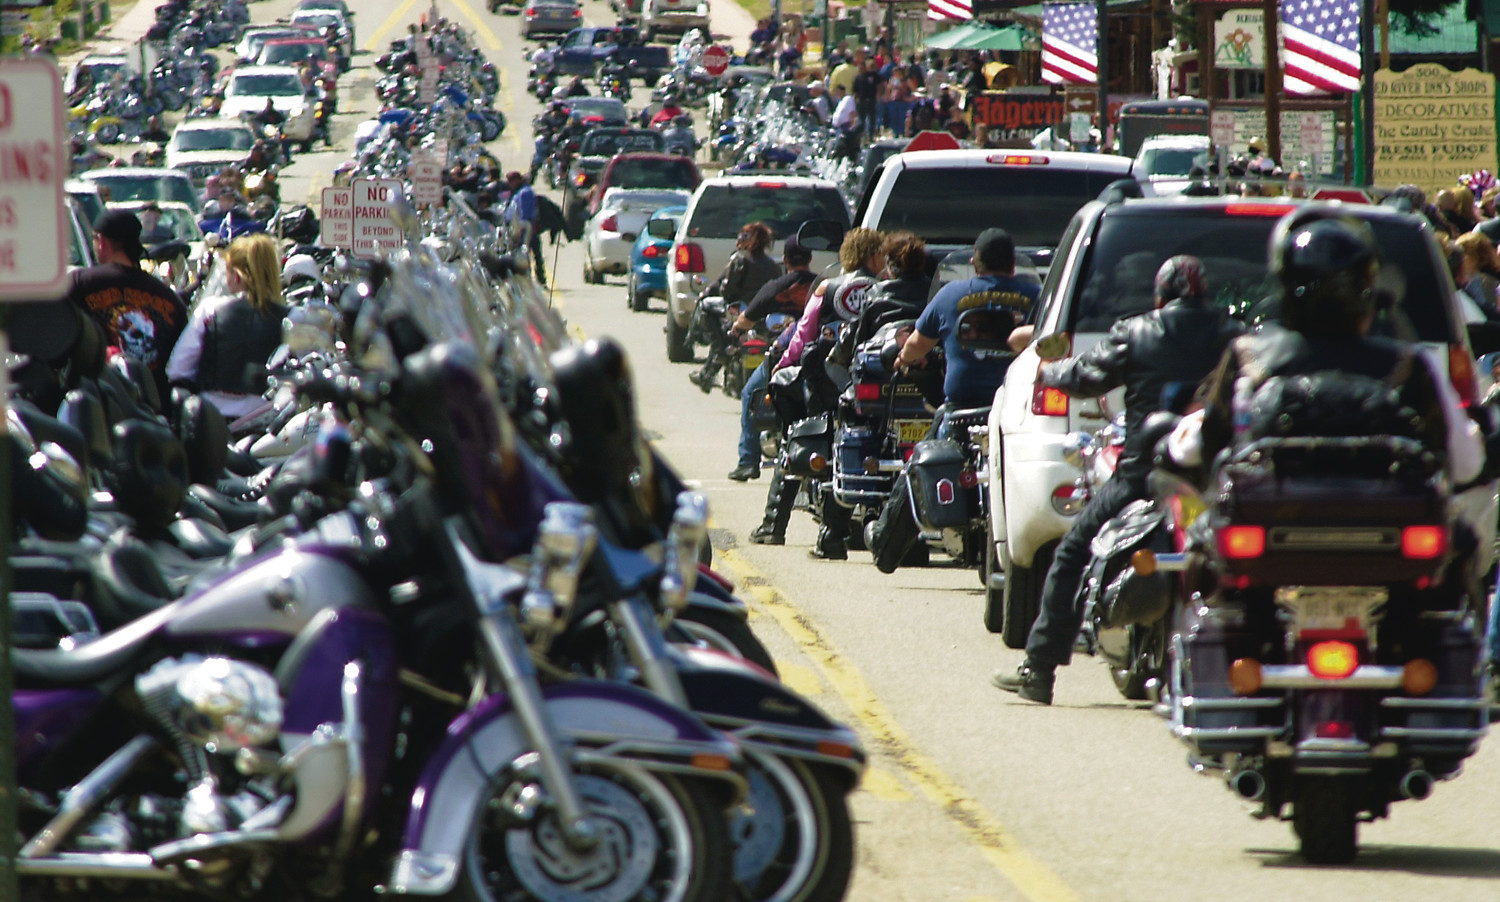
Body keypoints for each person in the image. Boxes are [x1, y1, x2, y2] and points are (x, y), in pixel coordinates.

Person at [991, 255, 1243, 704]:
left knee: (1071, 553)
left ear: (1161, 295)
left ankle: (1039, 671)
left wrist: (1047, 371)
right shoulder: (1234, 335)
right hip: (1211, 482)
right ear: (1203, 293)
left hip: (1146, 473)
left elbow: (1086, 377)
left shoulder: (1138, 331)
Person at [763, 228, 886, 557]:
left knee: (797, 438)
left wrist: (781, 365)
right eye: (880, 254)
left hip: (828, 384)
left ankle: (773, 526)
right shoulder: (884, 290)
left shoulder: (826, 288)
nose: (884, 260)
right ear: (871, 256)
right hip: (875, 384)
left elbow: (803, 336)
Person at [66, 210, 188, 399]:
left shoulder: (79, 284)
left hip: (93, 405)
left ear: (102, 241)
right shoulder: (170, 299)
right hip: (154, 410)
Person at [166, 233, 287, 419]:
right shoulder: (293, 317)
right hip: (267, 419)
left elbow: (178, 369)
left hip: (211, 419)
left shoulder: (211, 310)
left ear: (237, 277)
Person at [730, 236, 819, 483]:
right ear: (810, 259)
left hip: (783, 357)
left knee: (750, 393)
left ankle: (748, 462)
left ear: (785, 260)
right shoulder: (822, 285)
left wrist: (736, 328)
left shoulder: (775, 287)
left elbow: (746, 320)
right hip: (817, 357)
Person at [690, 222, 783, 394]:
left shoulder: (740, 261)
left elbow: (727, 291)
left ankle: (719, 352)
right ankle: (713, 366)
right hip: (765, 318)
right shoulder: (774, 267)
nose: (740, 239)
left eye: (745, 236)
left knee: (705, 307)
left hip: (741, 313)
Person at [505, 170, 546, 288]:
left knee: (527, 254)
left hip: (526, 228)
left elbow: (525, 213)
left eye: (511, 181)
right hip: (520, 227)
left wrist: (522, 229)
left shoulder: (525, 193)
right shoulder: (518, 192)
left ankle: (538, 279)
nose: (509, 184)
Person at [831, 84, 859, 159]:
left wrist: (852, 126)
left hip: (845, 127)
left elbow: (851, 112)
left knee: (841, 146)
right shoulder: (841, 101)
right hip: (838, 127)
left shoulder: (849, 99)